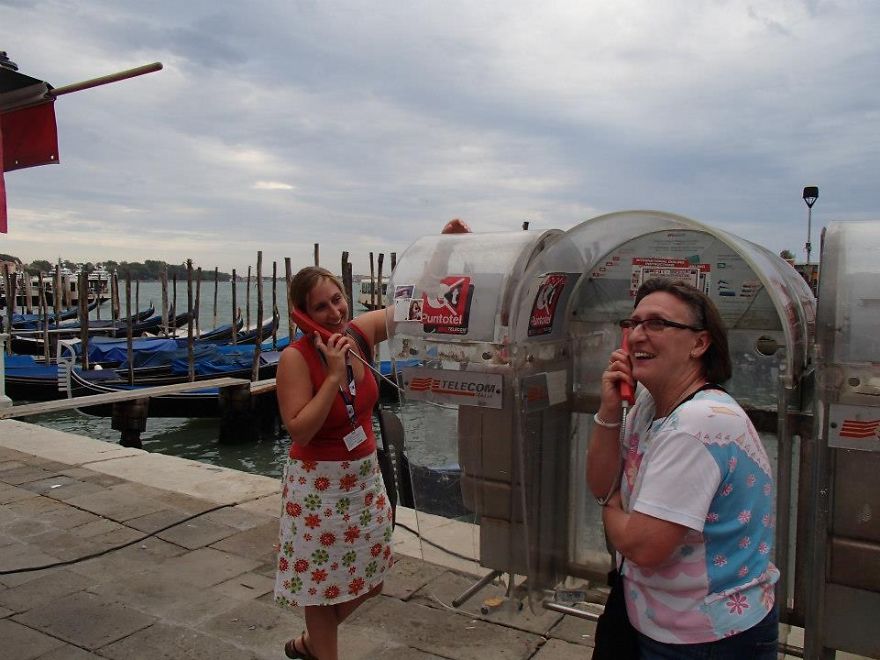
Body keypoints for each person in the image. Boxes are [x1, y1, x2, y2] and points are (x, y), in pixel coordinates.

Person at [275, 219, 471, 660]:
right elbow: (301, 428)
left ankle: (311, 641)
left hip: (363, 479)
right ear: (303, 315)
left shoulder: (359, 336)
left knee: (372, 576)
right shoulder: (295, 358)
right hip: (317, 488)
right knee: (319, 586)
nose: (335, 312)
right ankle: (321, 647)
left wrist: (443, 251)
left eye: (337, 299)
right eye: (321, 307)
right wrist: (331, 376)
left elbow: (419, 306)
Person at [586, 278, 779, 659]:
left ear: (699, 343)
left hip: (707, 636)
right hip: (654, 614)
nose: (638, 335)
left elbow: (644, 546)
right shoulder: (647, 403)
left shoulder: (700, 423)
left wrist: (609, 506)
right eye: (634, 323)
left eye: (657, 324)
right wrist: (610, 409)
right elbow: (599, 482)